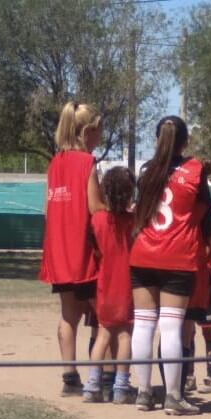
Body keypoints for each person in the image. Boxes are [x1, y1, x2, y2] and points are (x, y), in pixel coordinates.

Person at [129, 115, 211, 416]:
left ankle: (144, 394)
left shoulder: (146, 172)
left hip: (142, 254)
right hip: (176, 257)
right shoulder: (195, 172)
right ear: (185, 142)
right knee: (170, 328)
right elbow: (207, 214)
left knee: (143, 325)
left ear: (157, 139)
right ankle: (172, 397)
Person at [39, 102, 105, 396]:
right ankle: (101, 377)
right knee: (105, 314)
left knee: (68, 315)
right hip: (84, 252)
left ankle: (70, 377)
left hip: (59, 252)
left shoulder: (55, 163)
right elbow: (95, 208)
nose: (101, 136)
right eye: (99, 129)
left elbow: (47, 210)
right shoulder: (86, 163)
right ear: (88, 131)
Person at [83, 166, 137, 404]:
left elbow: (94, 250)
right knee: (125, 335)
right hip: (127, 284)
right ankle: (121, 388)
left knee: (103, 334)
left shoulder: (97, 220)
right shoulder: (134, 221)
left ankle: (92, 386)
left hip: (104, 283)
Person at [181, 247, 211, 394]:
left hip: (205, 284)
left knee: (208, 328)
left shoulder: (207, 230)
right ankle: (188, 376)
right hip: (187, 281)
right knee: (188, 331)